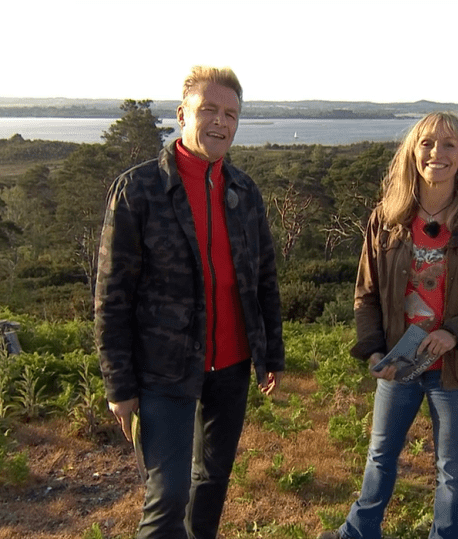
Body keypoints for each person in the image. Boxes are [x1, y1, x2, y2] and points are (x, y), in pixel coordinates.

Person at [94, 66, 285, 539]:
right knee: (169, 495)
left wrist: (271, 355)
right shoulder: (138, 190)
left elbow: (264, 280)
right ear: (182, 115)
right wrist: (119, 386)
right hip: (163, 369)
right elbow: (111, 296)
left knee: (213, 481)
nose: (220, 122)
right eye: (209, 111)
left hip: (233, 365)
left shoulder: (243, 191)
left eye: (231, 114)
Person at [319, 111, 458, 539]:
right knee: (381, 455)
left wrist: (453, 333)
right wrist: (373, 352)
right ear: (412, 153)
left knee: (451, 468)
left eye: (448, 145)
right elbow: (365, 296)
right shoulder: (387, 220)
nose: (436, 153)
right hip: (399, 364)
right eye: (426, 143)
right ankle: (359, 532)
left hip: (454, 371)